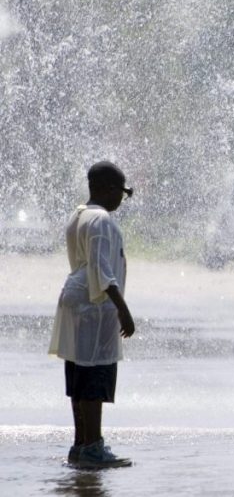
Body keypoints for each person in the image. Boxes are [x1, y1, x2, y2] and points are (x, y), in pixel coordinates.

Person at [48, 161, 136, 469]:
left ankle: (81, 444)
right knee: (95, 375)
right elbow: (101, 268)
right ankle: (94, 446)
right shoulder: (101, 220)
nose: (122, 200)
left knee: (79, 373)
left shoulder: (79, 214)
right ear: (107, 189)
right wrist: (123, 310)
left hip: (76, 298)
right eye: (123, 193)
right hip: (94, 304)